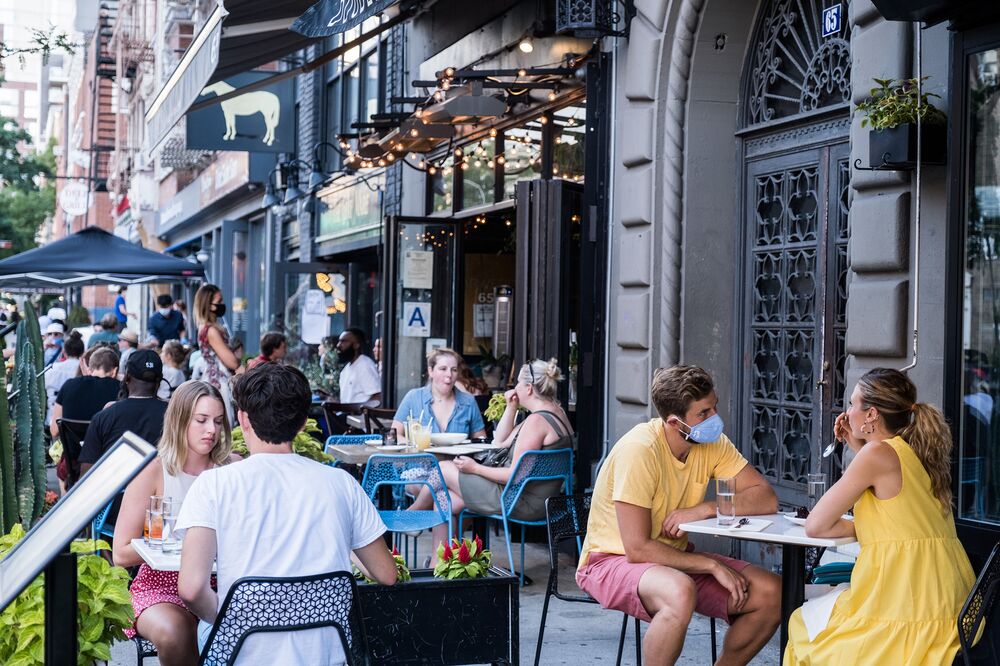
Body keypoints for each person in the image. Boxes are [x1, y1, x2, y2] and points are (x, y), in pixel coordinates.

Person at [176, 363, 397, 662]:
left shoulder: (214, 484)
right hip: (327, 652)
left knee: (201, 627)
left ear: (243, 419)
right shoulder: (341, 484)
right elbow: (386, 574)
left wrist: (228, 617)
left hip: (242, 652)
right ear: (304, 423)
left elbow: (190, 589)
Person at [577, 365, 781, 665]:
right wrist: (710, 565)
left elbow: (765, 497)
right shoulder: (640, 450)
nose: (714, 419)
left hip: (673, 558)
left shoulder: (712, 444)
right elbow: (637, 548)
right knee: (679, 591)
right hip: (610, 560)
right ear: (675, 422)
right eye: (703, 413)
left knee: (772, 593)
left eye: (715, 407)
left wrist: (707, 508)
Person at [784, 369, 976, 664]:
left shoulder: (876, 454)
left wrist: (861, 451)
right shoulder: (917, 449)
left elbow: (815, 525)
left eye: (852, 404)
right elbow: (897, 518)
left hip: (900, 599)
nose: (847, 412)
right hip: (946, 603)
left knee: (803, 628)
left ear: (871, 414)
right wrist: (857, 447)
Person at [111, 380, 236, 665]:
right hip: (160, 585)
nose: (212, 430)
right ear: (179, 421)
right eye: (201, 420)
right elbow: (120, 552)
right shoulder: (154, 471)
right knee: (175, 631)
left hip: (222, 581)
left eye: (218, 421)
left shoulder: (231, 470)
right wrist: (172, 545)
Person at [412, 358, 568, 555]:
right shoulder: (555, 414)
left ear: (528, 388)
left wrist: (474, 468)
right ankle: (443, 563)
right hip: (539, 499)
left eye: (518, 383)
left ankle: (414, 516)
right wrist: (511, 408)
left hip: (518, 499)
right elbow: (500, 441)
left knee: (443, 468)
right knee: (445, 499)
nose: (515, 388)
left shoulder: (536, 422)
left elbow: (513, 475)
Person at [78, 349, 169, 476]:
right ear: (159, 382)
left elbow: (86, 473)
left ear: (126, 378)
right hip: (161, 493)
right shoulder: (173, 415)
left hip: (115, 492)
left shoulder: (104, 416)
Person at [392, 347, 487, 441]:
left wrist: (470, 456)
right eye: (443, 369)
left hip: (457, 456)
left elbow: (481, 440)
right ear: (431, 371)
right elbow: (394, 435)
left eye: (454, 370)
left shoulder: (468, 402)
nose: (449, 374)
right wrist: (413, 447)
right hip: (422, 456)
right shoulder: (413, 398)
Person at [193, 285, 241, 404]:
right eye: (219, 301)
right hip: (220, 384)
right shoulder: (211, 330)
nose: (222, 304)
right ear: (208, 305)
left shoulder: (205, 327)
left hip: (214, 381)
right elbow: (232, 362)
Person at [45, 330, 84, 422]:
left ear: (64, 352)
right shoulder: (86, 370)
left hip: (52, 419)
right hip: (77, 421)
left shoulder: (51, 369)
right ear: (82, 353)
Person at [336, 327, 381, 406]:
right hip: (347, 415)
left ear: (356, 345)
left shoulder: (365, 365)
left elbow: (377, 397)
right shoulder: (345, 369)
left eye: (344, 341)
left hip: (359, 417)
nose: (338, 345)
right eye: (339, 341)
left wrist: (359, 411)